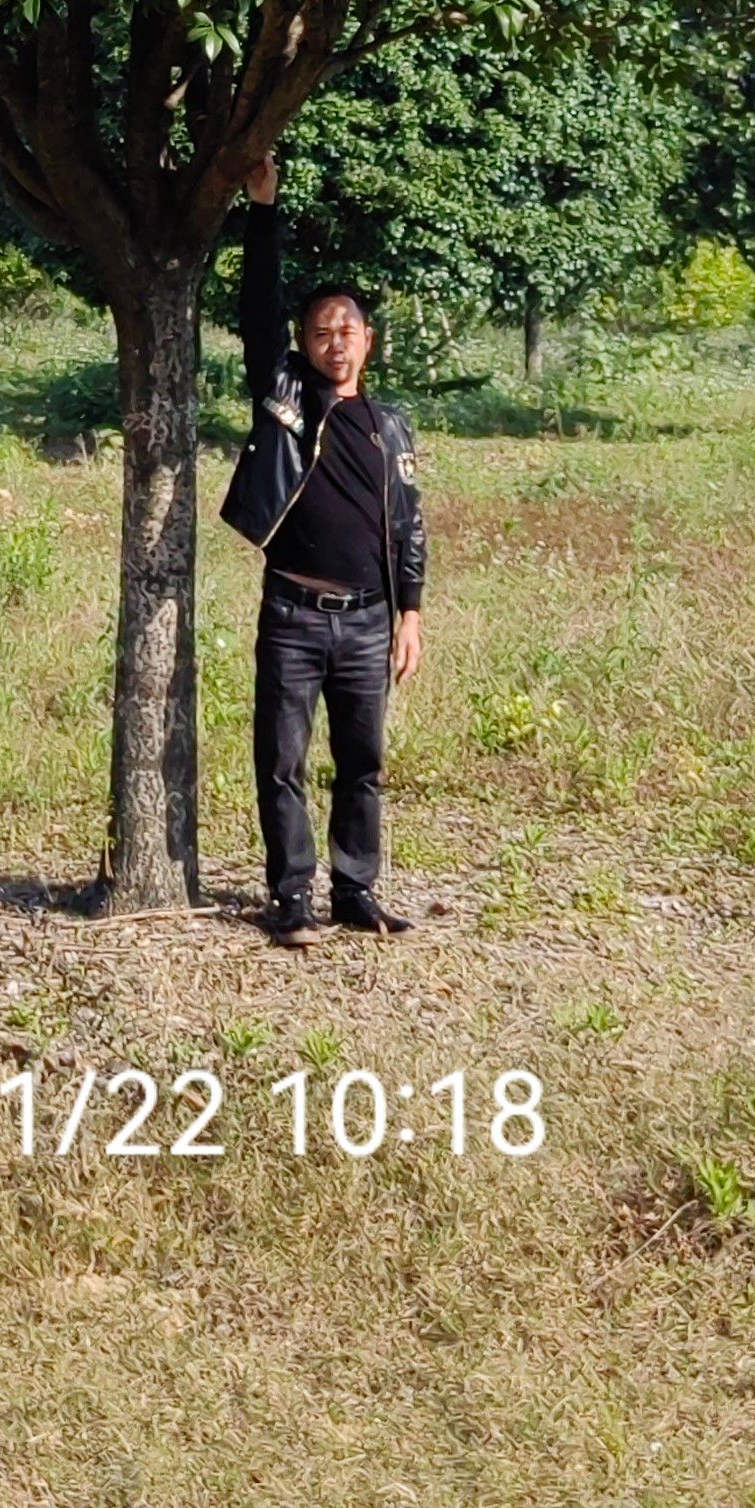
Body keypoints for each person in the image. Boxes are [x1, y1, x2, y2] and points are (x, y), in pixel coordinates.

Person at [219, 151, 424, 946]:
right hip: (294, 613)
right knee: (284, 762)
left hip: (371, 622)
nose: (334, 342)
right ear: (303, 345)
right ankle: (291, 895)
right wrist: (263, 208)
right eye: (320, 332)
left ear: (368, 340)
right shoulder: (287, 398)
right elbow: (259, 308)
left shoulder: (389, 427)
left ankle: (356, 890)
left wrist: (411, 613)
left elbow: (409, 526)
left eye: (347, 330)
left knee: (363, 763)